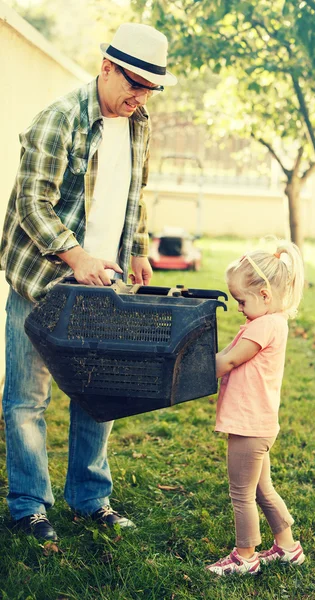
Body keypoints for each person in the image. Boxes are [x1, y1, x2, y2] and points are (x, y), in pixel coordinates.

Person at [0, 23, 177, 542]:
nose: (141, 97)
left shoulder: (139, 121)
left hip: (104, 284)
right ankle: (29, 506)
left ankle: (90, 499)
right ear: (106, 67)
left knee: (98, 393)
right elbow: (33, 203)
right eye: (134, 84)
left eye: (151, 88)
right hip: (42, 282)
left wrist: (138, 249)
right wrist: (76, 256)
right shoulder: (59, 120)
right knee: (27, 401)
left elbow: (135, 193)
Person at [206, 240, 306, 576]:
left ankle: (244, 557)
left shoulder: (263, 325)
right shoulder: (272, 321)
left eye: (241, 300)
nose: (238, 307)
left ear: (264, 294)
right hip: (259, 423)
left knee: (241, 494)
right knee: (262, 489)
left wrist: (192, 370)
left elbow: (231, 359)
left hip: (249, 426)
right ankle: (288, 547)